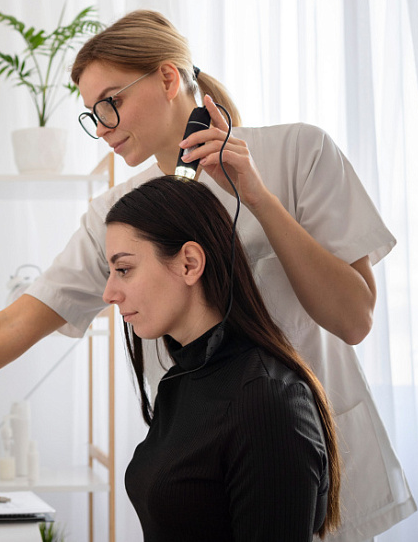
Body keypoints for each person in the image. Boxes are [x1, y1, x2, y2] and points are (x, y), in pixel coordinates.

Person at [0, 9, 415, 541]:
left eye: (110, 103)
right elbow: (17, 321)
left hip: (305, 455)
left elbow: (354, 318)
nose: (103, 128)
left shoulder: (297, 154)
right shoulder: (119, 215)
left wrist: (259, 197)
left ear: (168, 78)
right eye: (92, 113)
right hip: (201, 470)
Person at [105, 175, 339, 541]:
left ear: (189, 264)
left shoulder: (267, 400)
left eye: (123, 269)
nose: (109, 292)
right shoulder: (178, 380)